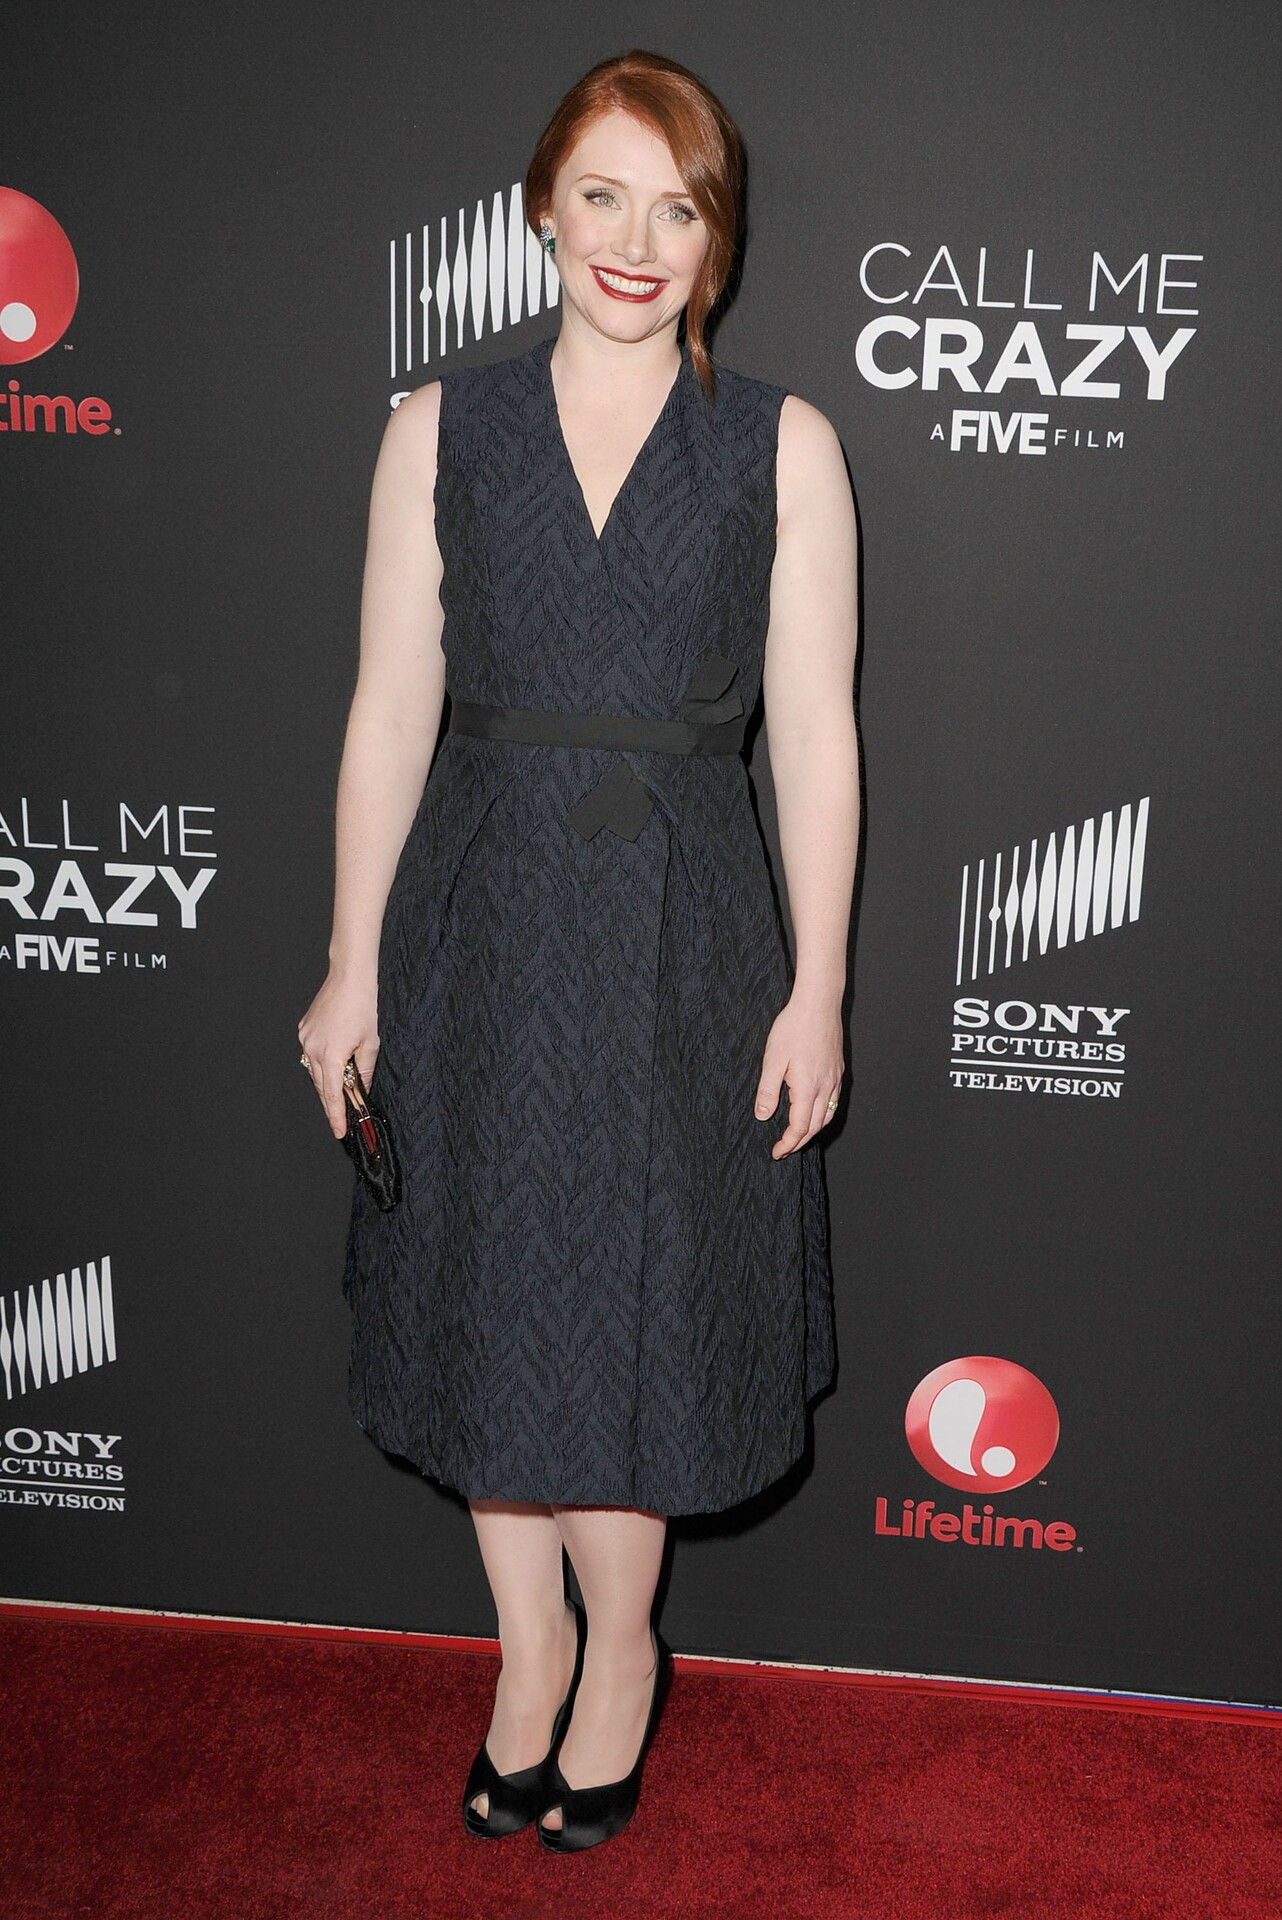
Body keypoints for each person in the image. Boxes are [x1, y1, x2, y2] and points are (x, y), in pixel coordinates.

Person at [297, 49, 858, 1852]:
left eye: (677, 207)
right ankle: (526, 1647)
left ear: (717, 239)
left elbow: (817, 736)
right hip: (481, 913)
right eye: (603, 195)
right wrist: (352, 964)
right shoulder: (438, 429)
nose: (635, 239)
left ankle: (624, 1649)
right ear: (541, 207)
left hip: (690, 935)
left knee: (638, 1311)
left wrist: (819, 988)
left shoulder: (781, 445)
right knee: (491, 1293)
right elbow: (389, 711)